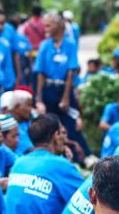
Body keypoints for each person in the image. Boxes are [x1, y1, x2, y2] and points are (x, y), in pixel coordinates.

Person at [4, 114, 83, 214]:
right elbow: (88, 201)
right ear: (55, 136)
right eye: (62, 133)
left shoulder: (19, 163)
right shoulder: (61, 166)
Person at [35, 13, 91, 160]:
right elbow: (40, 73)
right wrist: (39, 99)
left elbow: (71, 71)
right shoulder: (45, 45)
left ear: (59, 25)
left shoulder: (70, 43)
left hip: (64, 89)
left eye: (48, 25)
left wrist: (66, 97)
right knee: (49, 124)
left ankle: (83, 158)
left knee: (71, 124)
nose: (45, 28)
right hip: (48, 89)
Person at [1, 89, 35, 154]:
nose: (31, 109)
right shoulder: (6, 124)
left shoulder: (27, 122)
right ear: (17, 107)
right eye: (29, 105)